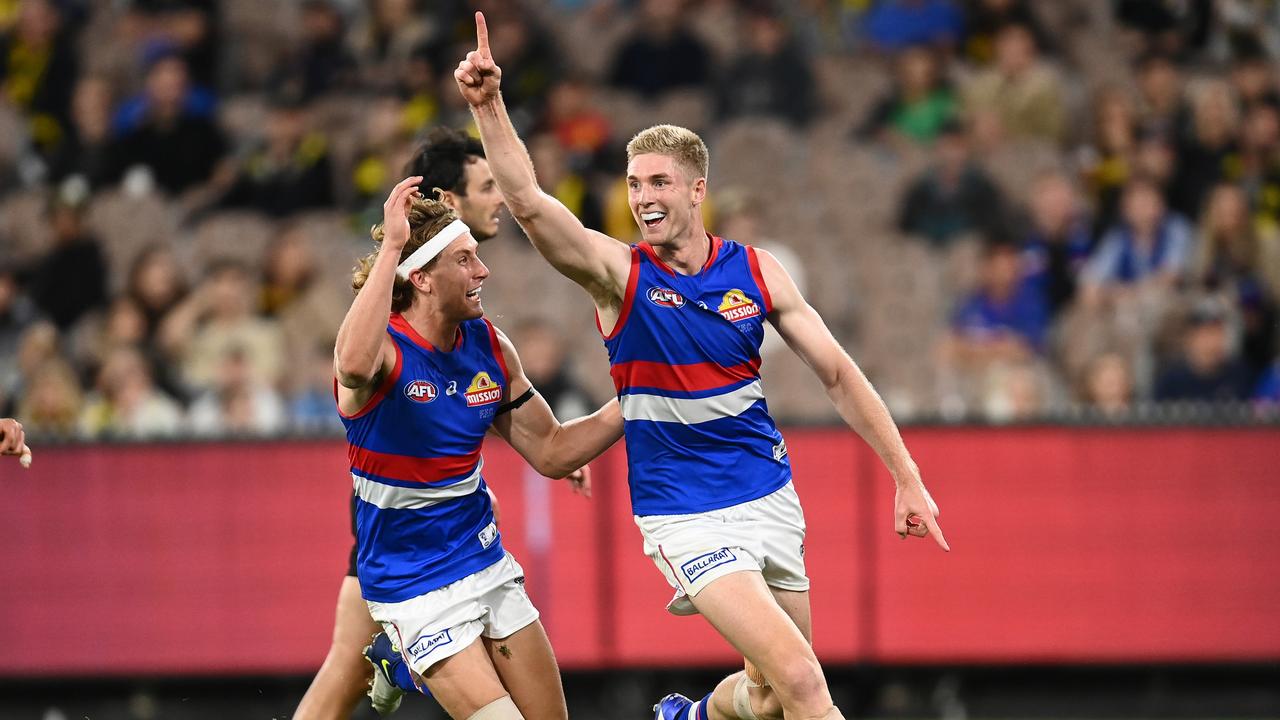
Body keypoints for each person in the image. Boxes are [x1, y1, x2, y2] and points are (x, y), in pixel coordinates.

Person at [455, 14, 947, 720]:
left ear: (696, 190)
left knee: (771, 697)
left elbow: (839, 374)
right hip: (686, 513)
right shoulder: (619, 276)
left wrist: (906, 474)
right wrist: (488, 106)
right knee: (808, 686)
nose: (643, 197)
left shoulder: (757, 271)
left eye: (660, 181)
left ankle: (692, 716)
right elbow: (531, 206)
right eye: (633, 183)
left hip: (768, 491)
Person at [291, 126, 587, 720]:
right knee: (347, 662)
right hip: (403, 523)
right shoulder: (407, 308)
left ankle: (401, 658)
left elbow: (535, 440)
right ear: (449, 201)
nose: (497, 197)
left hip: (453, 527)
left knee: (350, 661)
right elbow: (358, 369)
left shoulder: (473, 319)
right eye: (484, 186)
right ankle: (404, 655)